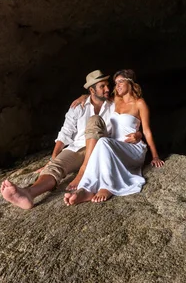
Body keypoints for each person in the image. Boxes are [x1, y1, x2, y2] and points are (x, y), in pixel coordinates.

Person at [0, 70, 141, 209]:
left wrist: (138, 135)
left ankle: (83, 172)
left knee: (94, 120)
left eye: (107, 85)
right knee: (55, 167)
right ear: (92, 90)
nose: (108, 89)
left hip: (101, 149)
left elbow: (132, 116)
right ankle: (29, 193)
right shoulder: (78, 106)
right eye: (102, 86)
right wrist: (53, 159)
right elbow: (65, 133)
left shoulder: (114, 104)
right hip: (78, 148)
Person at [64, 69, 163, 206]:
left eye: (121, 82)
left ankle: (107, 186)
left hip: (132, 149)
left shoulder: (139, 103)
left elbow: (147, 131)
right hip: (113, 148)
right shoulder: (116, 100)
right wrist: (83, 96)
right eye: (116, 83)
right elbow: (96, 95)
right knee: (101, 143)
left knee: (103, 142)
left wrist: (155, 156)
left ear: (131, 83)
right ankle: (86, 189)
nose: (117, 86)